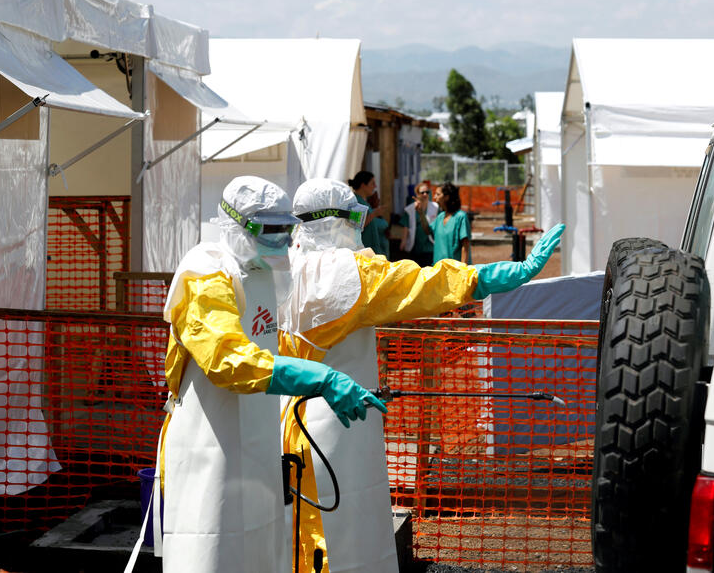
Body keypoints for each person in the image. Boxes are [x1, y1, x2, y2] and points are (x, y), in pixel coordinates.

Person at [279, 178, 565, 573]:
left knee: (301, 534)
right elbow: (426, 285)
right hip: (339, 427)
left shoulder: (279, 267)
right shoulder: (351, 274)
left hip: (287, 421)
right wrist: (496, 276)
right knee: (344, 540)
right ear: (341, 220)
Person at [158, 176, 385, 573]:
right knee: (211, 550)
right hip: (208, 446)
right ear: (236, 225)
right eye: (270, 229)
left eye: (286, 228)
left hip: (258, 443)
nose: (281, 240)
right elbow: (227, 359)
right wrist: (319, 377)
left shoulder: (265, 273)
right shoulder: (206, 275)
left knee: (264, 549)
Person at [417, 182, 471, 263]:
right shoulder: (440, 217)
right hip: (439, 267)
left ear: (446, 197)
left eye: (438, 194)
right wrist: (421, 213)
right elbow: (427, 231)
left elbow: (465, 245)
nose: (435, 197)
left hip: (454, 268)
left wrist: (463, 268)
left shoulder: (460, 217)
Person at [348, 170, 388, 256]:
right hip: (364, 252)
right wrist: (374, 214)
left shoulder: (364, 201)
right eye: (372, 183)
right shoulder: (355, 201)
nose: (375, 186)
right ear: (363, 185)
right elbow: (355, 226)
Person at [400, 182, 438, 267]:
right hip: (415, 246)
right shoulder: (410, 209)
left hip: (430, 245)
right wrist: (403, 241)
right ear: (417, 194)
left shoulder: (435, 207)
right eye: (422, 192)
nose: (425, 194)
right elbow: (406, 226)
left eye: (427, 192)